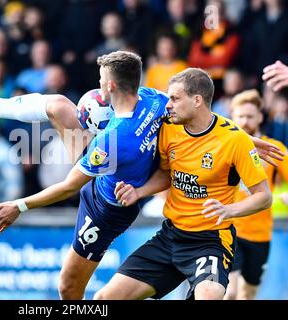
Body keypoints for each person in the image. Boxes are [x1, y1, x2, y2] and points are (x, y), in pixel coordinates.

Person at [0, 51, 169, 300]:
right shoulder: (154, 99)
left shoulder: (112, 140)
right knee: (59, 106)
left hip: (105, 210)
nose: (98, 84)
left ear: (111, 85)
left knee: (68, 287)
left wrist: (20, 206)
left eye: (100, 80)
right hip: (115, 166)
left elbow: (68, 187)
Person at [101, 68, 272, 300]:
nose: (168, 104)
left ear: (197, 100)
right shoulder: (169, 128)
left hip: (210, 241)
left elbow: (264, 196)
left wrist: (228, 209)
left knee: (210, 297)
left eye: (175, 98)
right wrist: (139, 191)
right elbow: (165, 173)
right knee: (104, 299)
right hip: (171, 235)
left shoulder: (235, 141)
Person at [224, 89, 288, 300]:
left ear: (260, 117)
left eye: (250, 116)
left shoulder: (273, 149)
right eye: (240, 116)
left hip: (260, 233)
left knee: (247, 295)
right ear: (233, 116)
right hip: (229, 229)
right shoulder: (224, 146)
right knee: (230, 292)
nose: (245, 121)